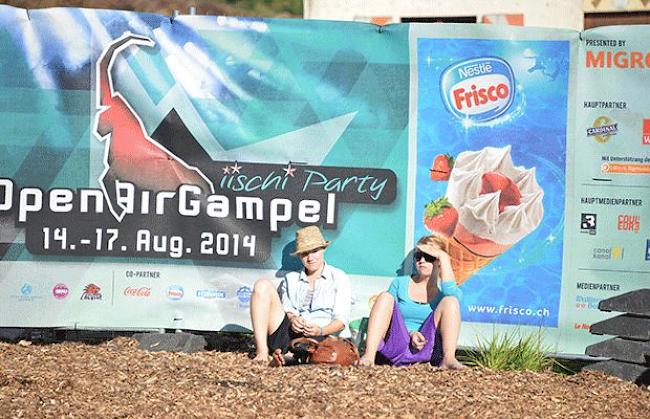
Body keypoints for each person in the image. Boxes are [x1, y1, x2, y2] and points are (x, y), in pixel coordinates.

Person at [359, 235, 466, 369]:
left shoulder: (444, 293)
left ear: (439, 261)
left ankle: (449, 359)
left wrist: (444, 257)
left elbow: (450, 292)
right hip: (396, 344)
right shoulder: (400, 283)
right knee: (385, 297)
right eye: (418, 256)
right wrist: (411, 333)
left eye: (429, 257)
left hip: (428, 348)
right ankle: (369, 356)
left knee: (451, 301)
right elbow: (388, 319)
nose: (421, 260)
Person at [250, 225, 352, 364]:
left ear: (323, 249)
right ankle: (262, 353)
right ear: (299, 256)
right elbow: (288, 310)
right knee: (262, 285)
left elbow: (341, 322)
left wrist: (320, 330)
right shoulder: (290, 279)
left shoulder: (339, 278)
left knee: (321, 350)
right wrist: (293, 320)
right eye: (305, 253)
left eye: (314, 251)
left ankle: (289, 358)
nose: (310, 258)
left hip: (321, 338)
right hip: (289, 334)